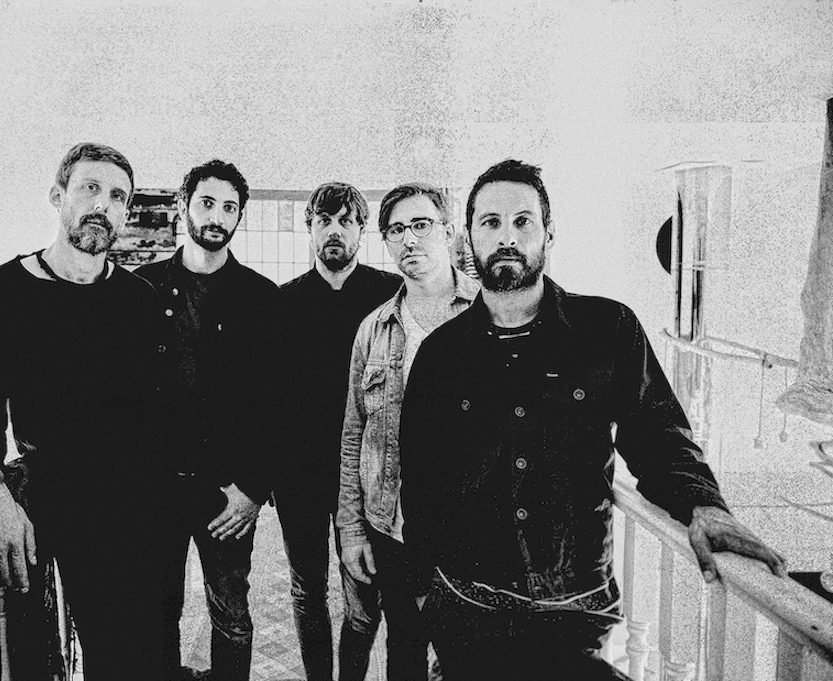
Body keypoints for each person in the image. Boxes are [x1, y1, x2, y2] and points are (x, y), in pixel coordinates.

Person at [399, 159, 787, 681]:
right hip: (469, 611)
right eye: (490, 222)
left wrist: (704, 505)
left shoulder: (608, 328)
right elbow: (421, 481)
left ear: (548, 233)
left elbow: (658, 436)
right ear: (468, 238)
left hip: (579, 613)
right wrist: (426, 592)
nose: (507, 236)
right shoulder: (440, 355)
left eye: (522, 221)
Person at [0, 142, 166, 679]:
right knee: (31, 662)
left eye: (118, 197)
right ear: (57, 195)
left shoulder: (140, 301)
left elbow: (157, 416)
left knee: (130, 661)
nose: (103, 205)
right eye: (90, 188)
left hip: (129, 516)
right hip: (40, 508)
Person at [135, 159, 282, 681]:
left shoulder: (263, 298)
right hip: (157, 488)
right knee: (157, 612)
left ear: (239, 215)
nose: (217, 217)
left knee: (231, 614)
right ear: (183, 206)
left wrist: (253, 489)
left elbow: (278, 406)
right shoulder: (141, 290)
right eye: (207, 203)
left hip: (228, 493)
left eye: (229, 207)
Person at [337, 183, 479, 680]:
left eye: (421, 225)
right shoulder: (374, 329)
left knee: (469, 658)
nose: (409, 240)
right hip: (390, 527)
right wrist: (352, 529)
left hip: (472, 534)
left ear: (449, 232)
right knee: (404, 649)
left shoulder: (489, 314)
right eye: (396, 230)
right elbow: (354, 434)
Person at [278, 182, 402, 681]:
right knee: (307, 591)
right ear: (309, 227)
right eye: (324, 221)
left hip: (367, 476)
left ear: (361, 230)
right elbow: (270, 397)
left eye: (346, 221)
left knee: (364, 594)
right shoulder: (284, 302)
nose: (334, 231)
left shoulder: (388, 295)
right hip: (299, 477)